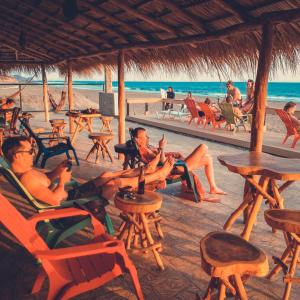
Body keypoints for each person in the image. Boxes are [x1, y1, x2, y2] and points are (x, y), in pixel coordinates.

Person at [2, 136, 175, 211]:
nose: (33, 153)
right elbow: (55, 200)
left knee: (107, 174)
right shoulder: (27, 179)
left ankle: (143, 170)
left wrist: (57, 171)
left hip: (71, 196)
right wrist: (62, 181)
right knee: (113, 183)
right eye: (30, 151)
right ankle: (156, 175)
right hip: (71, 204)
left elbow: (45, 181)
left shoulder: (25, 173)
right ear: (17, 155)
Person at [132, 127, 226, 199]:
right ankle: (211, 187)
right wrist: (162, 147)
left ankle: (213, 188)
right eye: (145, 136)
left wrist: (171, 153)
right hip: (175, 169)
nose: (147, 137)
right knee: (203, 147)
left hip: (174, 166)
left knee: (208, 159)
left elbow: (161, 158)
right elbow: (161, 162)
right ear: (138, 139)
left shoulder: (147, 148)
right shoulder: (144, 152)